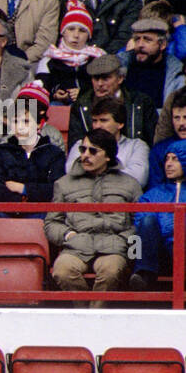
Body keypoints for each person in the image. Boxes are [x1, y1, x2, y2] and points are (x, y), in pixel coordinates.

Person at [46, 127, 142, 307]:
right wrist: (68, 236)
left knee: (111, 271)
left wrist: (124, 240)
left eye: (93, 150)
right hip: (77, 246)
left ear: (108, 156)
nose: (85, 155)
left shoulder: (130, 184)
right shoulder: (63, 184)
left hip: (113, 247)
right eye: (83, 149)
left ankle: (94, 318)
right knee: (62, 270)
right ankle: (85, 317)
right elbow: (52, 222)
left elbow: (140, 222)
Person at [0, 82, 67, 210]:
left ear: (40, 123)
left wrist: (23, 189)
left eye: (26, 121)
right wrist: (20, 203)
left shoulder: (54, 154)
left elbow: (56, 189)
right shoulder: (0, 152)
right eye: (15, 121)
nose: (20, 127)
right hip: (6, 213)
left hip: (42, 213)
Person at [130, 125, 186, 289]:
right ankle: (144, 276)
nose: (168, 164)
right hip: (158, 253)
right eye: (167, 159)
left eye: (175, 159)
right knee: (147, 221)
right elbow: (142, 224)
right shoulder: (152, 194)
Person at [68, 54, 157, 150]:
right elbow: (75, 144)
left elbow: (152, 140)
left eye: (105, 78)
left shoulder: (141, 102)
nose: (100, 84)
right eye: (96, 78)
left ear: (120, 78)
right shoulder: (81, 105)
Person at [64, 97, 149, 189]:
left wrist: (94, 174)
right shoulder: (81, 144)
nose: (97, 126)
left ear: (120, 124)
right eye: (94, 121)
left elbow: (138, 179)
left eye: (103, 120)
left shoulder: (136, 146)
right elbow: (71, 171)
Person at [35, 1, 105, 105]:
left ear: (89, 35)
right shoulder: (49, 59)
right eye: (71, 29)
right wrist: (55, 93)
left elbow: (105, 86)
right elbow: (42, 88)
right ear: (63, 32)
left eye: (82, 30)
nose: (76, 35)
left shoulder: (97, 58)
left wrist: (84, 93)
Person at [119, 18, 185, 111]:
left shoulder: (175, 74)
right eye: (137, 39)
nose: (140, 45)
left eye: (147, 40)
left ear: (162, 45)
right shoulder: (121, 65)